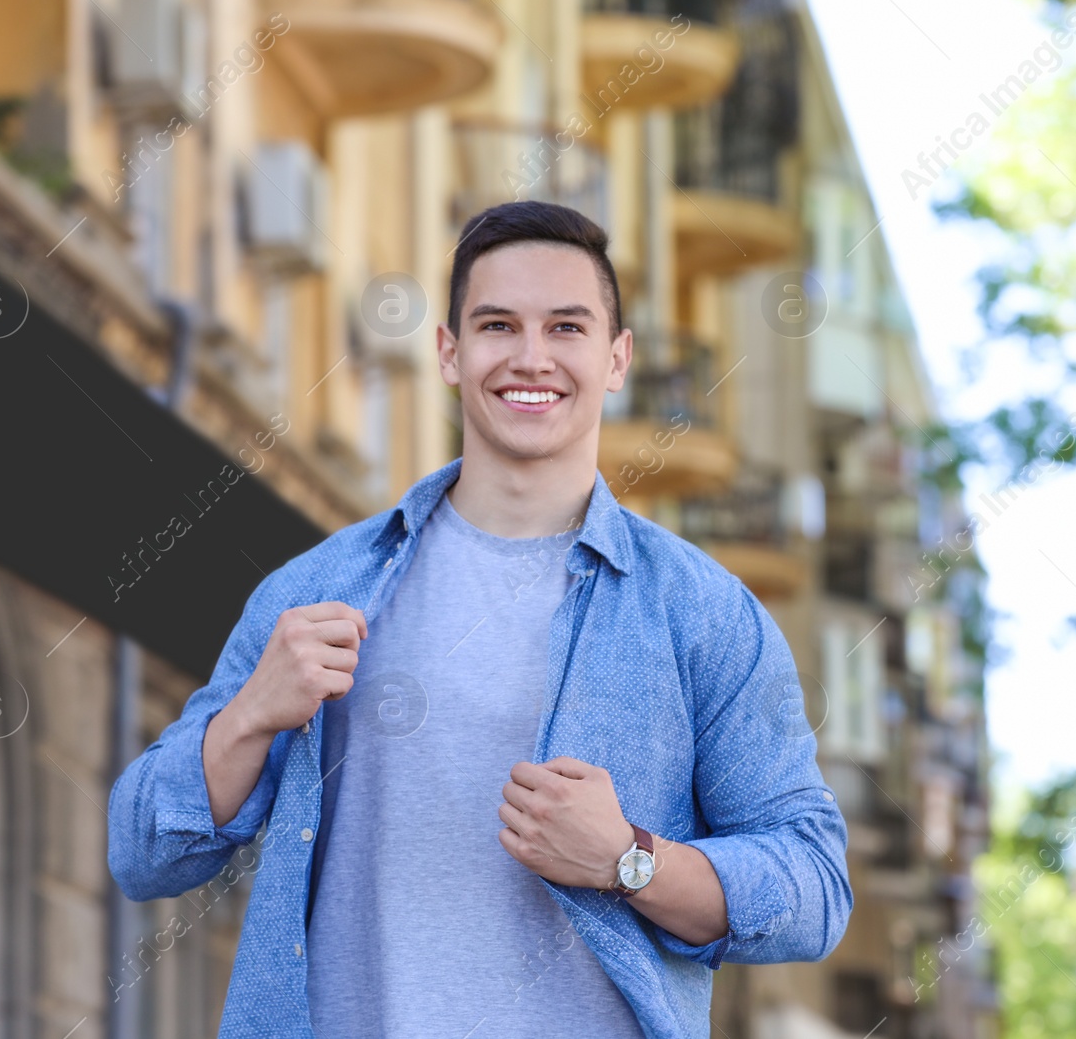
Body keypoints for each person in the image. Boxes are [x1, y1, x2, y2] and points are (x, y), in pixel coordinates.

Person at [106, 201, 852, 1039]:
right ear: (450, 353)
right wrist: (248, 717)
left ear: (617, 358)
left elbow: (815, 886)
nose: (531, 357)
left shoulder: (703, 614)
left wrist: (627, 859)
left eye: (567, 327)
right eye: (499, 325)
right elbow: (143, 850)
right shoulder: (319, 590)